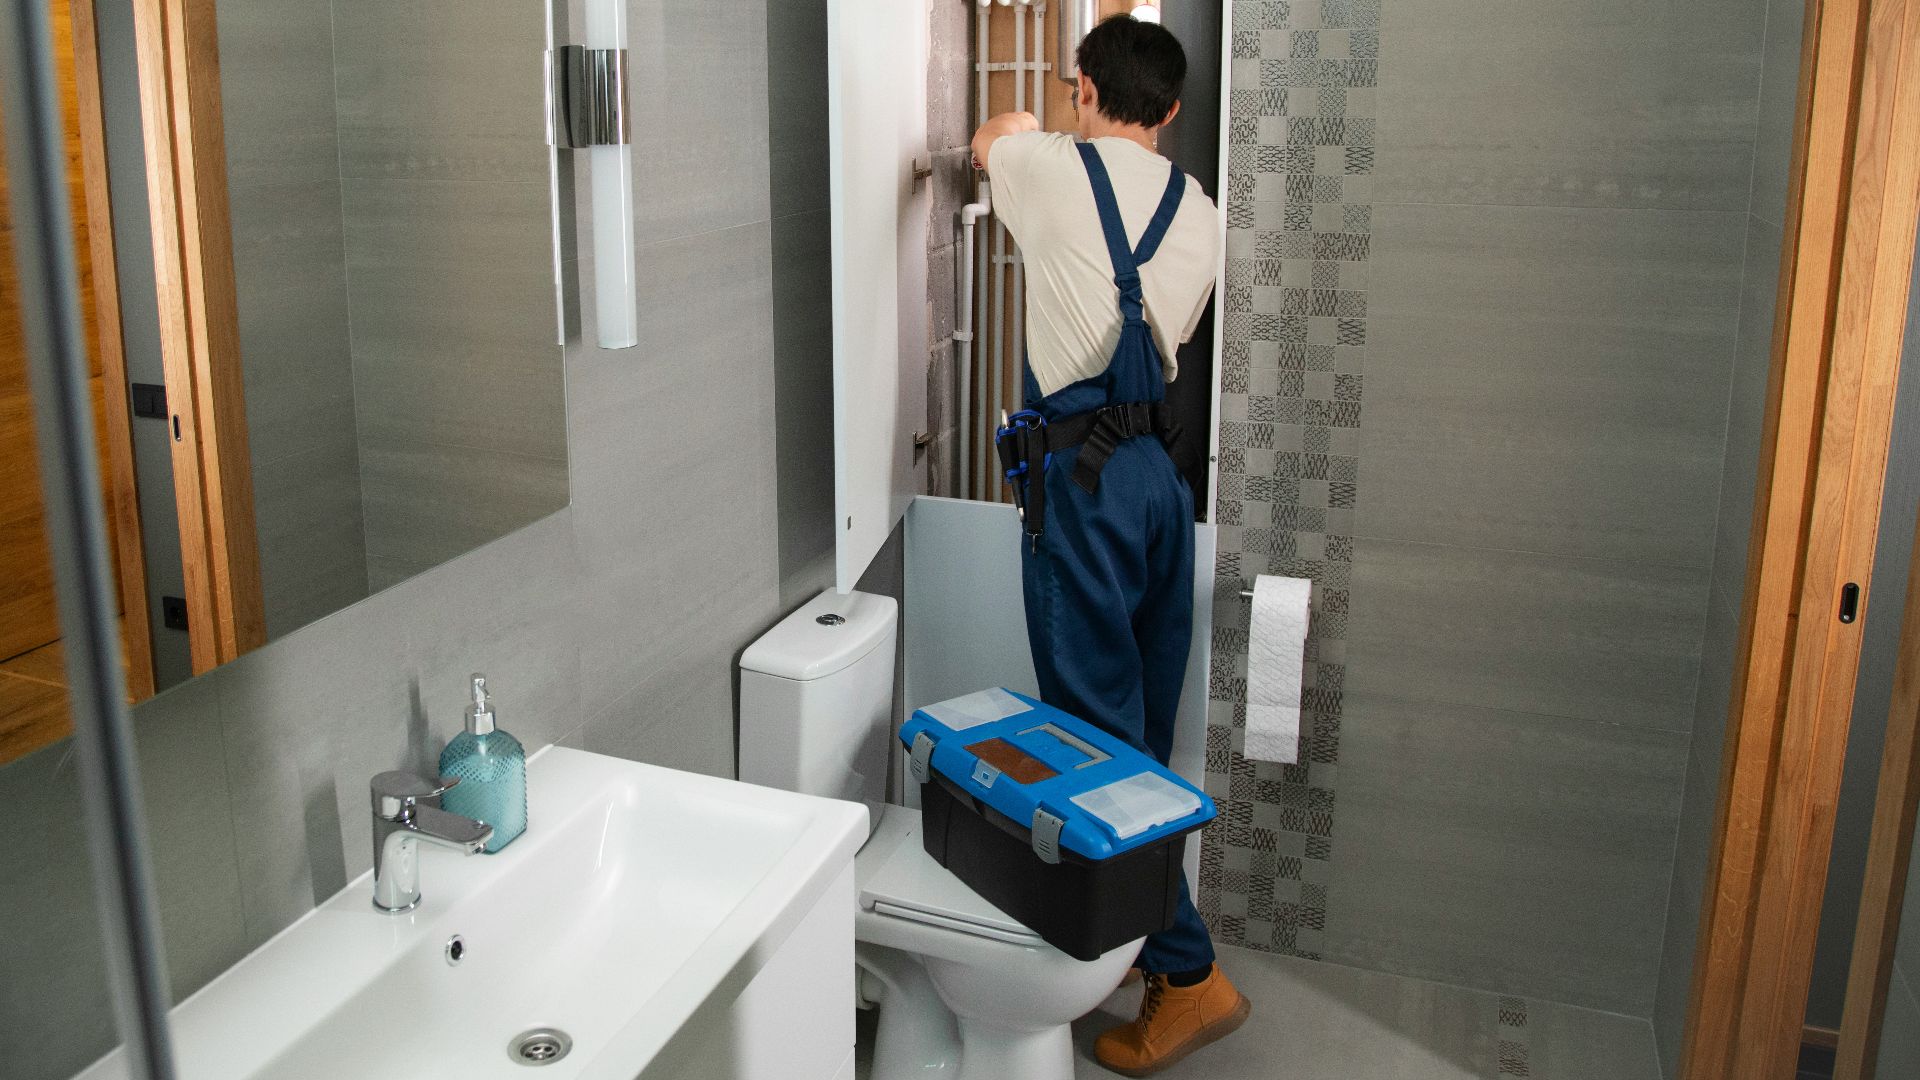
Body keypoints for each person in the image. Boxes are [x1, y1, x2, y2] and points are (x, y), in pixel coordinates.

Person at [971, 14, 1248, 1078]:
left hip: (1080, 481)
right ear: (1172, 110)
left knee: (1094, 739)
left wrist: (1029, 117)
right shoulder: (1204, 212)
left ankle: (1185, 971)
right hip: (1156, 485)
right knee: (1139, 731)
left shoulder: (1046, 166)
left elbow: (992, 137)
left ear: (1085, 90)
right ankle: (1147, 947)